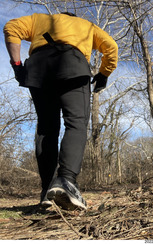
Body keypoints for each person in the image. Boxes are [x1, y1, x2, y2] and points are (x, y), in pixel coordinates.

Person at [3, 12, 118, 210]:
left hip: (38, 67)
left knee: (46, 128)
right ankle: (66, 181)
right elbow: (111, 48)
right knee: (76, 123)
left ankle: (47, 190)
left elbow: (11, 28)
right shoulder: (86, 25)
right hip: (73, 65)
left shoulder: (41, 20)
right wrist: (104, 73)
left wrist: (17, 66)